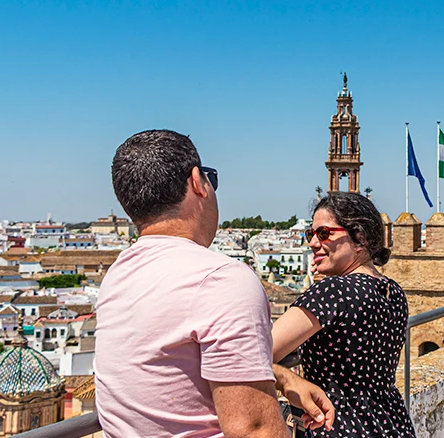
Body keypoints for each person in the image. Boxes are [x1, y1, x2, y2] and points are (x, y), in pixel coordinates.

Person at [95, 130, 334, 438]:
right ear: (197, 181)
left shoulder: (117, 277)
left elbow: (178, 368)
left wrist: (283, 378)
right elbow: (255, 430)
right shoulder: (220, 280)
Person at [272, 192, 416, 437]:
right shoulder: (394, 293)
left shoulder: (332, 292)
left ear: (359, 238)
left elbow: (251, 354)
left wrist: (286, 378)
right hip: (391, 424)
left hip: (337, 426)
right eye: (311, 234)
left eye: (324, 233)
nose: (313, 243)